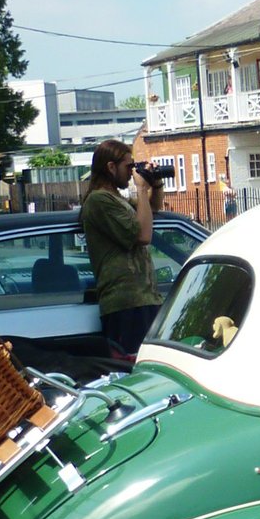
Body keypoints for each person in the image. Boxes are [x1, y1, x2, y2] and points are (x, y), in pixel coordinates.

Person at [80, 138, 166, 358]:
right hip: (125, 303)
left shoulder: (117, 199)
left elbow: (151, 209)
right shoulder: (99, 201)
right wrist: (140, 187)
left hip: (142, 299)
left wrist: (155, 184)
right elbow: (143, 235)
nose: (131, 172)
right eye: (128, 166)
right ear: (110, 167)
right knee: (133, 366)